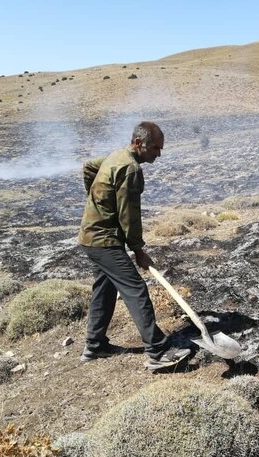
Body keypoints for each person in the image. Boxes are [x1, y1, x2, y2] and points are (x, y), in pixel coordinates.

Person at [78, 121, 190, 369]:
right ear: (138, 143)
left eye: (160, 149)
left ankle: (95, 346)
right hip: (103, 240)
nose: (158, 154)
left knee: (104, 290)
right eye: (154, 148)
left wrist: (96, 202)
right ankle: (158, 352)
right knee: (135, 289)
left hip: (92, 237)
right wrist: (138, 250)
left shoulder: (116, 155)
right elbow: (130, 216)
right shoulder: (130, 169)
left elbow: (88, 167)